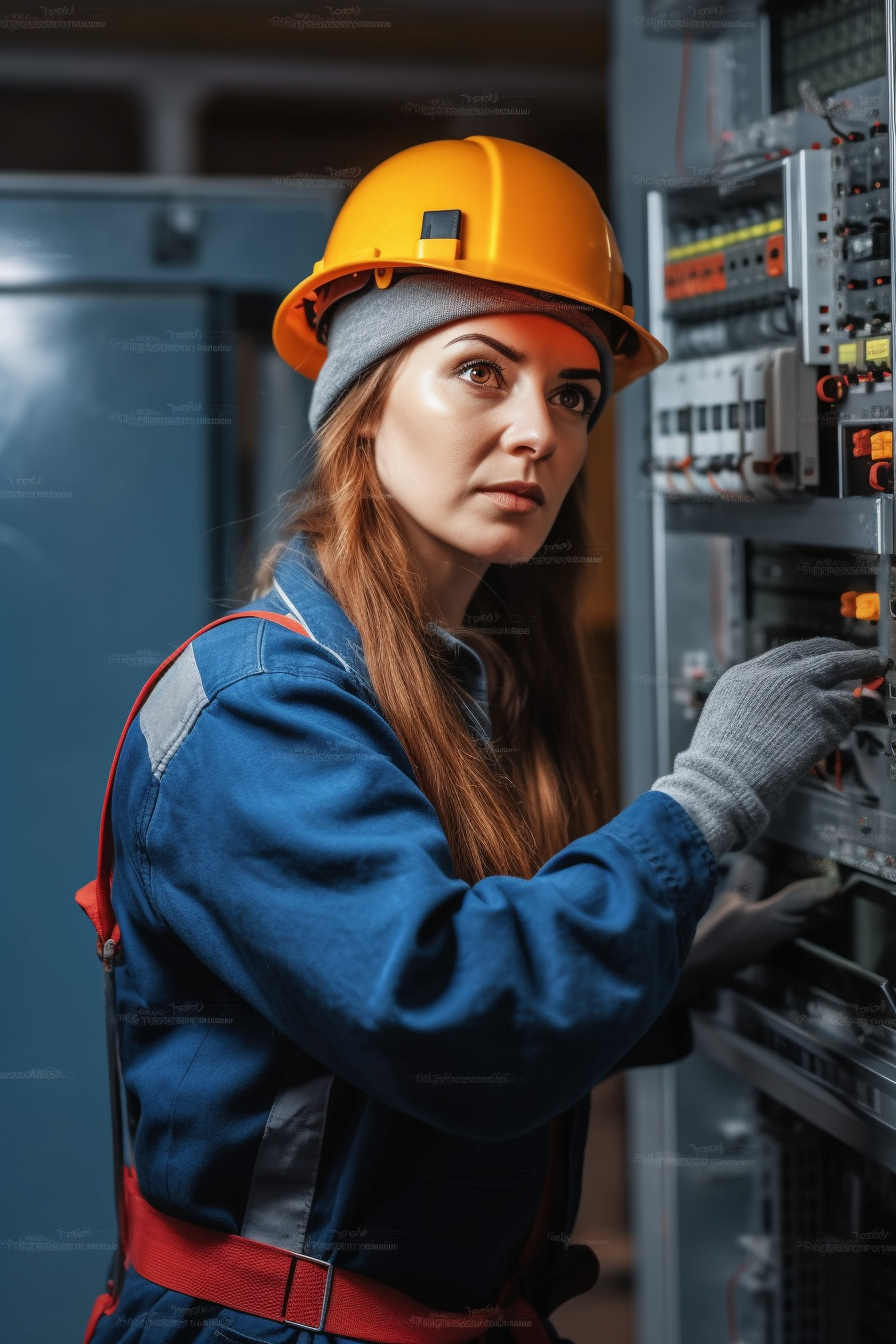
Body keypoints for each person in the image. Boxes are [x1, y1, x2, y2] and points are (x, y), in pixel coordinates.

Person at [82, 137, 888, 1344]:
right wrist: (707, 796)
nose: (539, 433)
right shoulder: (255, 704)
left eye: (571, 392)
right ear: (361, 404)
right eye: (479, 371)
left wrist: (665, 978)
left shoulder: (463, 679)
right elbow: (455, 1020)